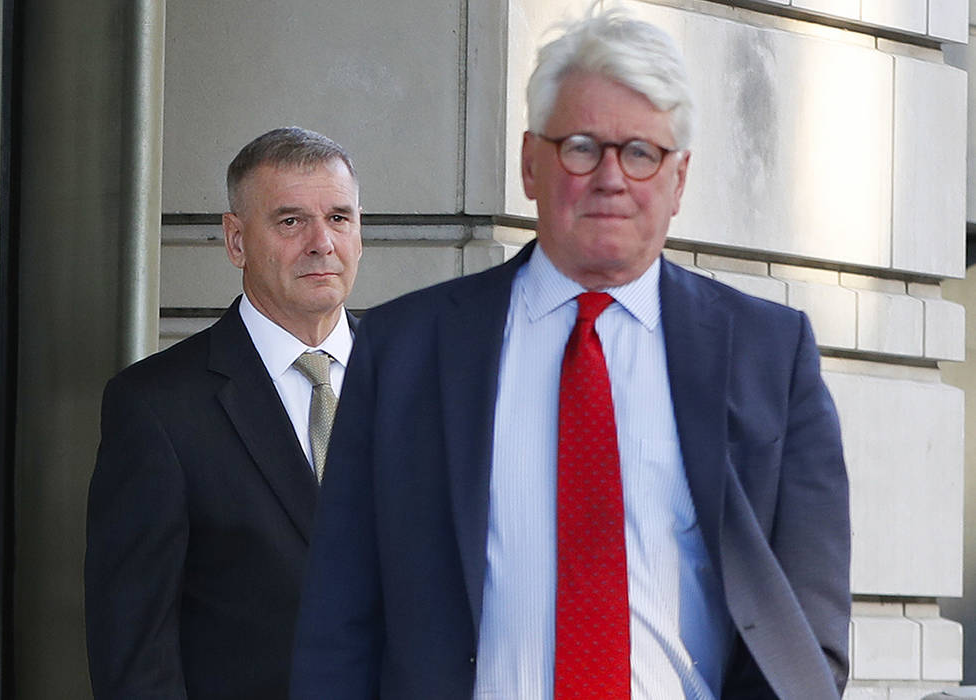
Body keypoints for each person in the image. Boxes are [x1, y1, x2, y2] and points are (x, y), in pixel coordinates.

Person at [291, 9, 849, 700]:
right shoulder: (405, 352)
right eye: (582, 146)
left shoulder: (770, 354)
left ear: (679, 179)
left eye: (641, 152)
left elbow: (808, 631)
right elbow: (337, 626)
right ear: (531, 163)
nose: (612, 177)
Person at [85, 126, 363, 699]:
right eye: (291, 221)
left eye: (339, 218)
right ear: (235, 241)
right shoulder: (156, 408)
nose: (322, 242)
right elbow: (136, 654)